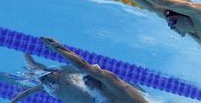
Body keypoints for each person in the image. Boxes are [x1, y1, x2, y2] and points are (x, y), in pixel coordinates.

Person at [11, 38, 148, 102]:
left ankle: (27, 55)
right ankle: (27, 56)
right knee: (34, 68)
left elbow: (83, 65)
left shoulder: (114, 85)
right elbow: (83, 67)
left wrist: (58, 48)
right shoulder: (103, 94)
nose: (85, 83)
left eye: (87, 81)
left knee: (35, 69)